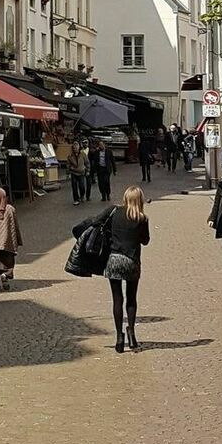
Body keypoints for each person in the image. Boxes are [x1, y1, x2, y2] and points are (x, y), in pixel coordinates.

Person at [79, 185, 151, 351]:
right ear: (139, 200)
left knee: (117, 299)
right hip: (132, 261)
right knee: (131, 299)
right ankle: (132, 333)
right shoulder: (142, 218)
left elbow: (96, 221)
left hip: (114, 259)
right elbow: (145, 241)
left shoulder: (113, 211)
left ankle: (119, 337)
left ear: (125, 198)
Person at [89, 137, 114, 201]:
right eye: (100, 145)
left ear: (104, 145)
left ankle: (108, 194)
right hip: (100, 169)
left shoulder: (109, 151)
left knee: (106, 181)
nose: (101, 146)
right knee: (101, 183)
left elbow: (112, 161)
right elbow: (92, 158)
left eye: (102, 145)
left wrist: (114, 170)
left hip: (106, 169)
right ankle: (103, 195)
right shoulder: (97, 152)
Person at [70, 138, 90, 204]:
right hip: (74, 172)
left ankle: (82, 195)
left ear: (79, 147)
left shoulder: (83, 154)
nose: (75, 148)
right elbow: (68, 164)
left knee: (82, 186)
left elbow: (87, 162)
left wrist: (87, 170)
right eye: (74, 147)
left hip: (81, 172)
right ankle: (76, 199)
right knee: (74, 186)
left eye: (76, 147)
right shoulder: (70, 156)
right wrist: (69, 170)